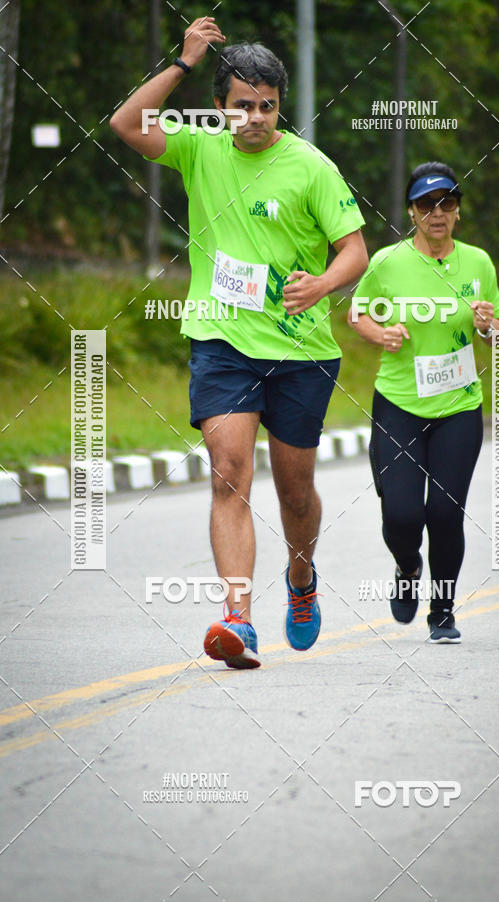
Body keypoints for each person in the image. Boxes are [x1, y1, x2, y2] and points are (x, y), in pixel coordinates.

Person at [110, 17, 368, 668]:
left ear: (280, 106)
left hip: (301, 350)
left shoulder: (311, 167)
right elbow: (125, 124)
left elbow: (355, 251)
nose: (255, 118)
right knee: (228, 473)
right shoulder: (200, 148)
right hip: (221, 341)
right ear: (219, 107)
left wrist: (323, 287)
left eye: (267, 106)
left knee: (295, 492)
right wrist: (185, 61)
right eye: (242, 106)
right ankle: (238, 620)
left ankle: (301, 581)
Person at [348, 161, 499, 643]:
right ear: (411, 212)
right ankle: (406, 564)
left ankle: (442, 610)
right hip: (399, 404)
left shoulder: (478, 263)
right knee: (400, 515)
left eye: (448, 203)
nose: (437, 213)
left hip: (458, 407)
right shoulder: (387, 263)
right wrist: (383, 334)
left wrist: (487, 325)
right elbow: (357, 314)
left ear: (458, 211)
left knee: (444, 510)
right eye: (426, 204)